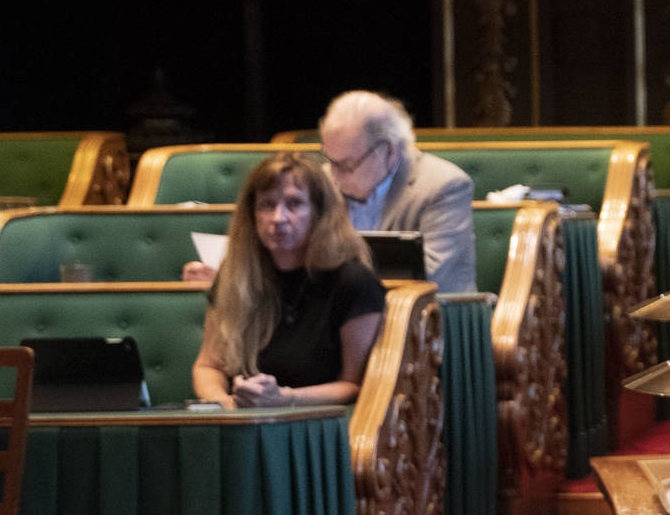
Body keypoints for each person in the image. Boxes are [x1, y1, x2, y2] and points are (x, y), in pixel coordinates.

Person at [192, 152, 386, 409]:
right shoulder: (235, 277)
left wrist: (284, 399)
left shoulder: (353, 282)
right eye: (267, 205)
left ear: (319, 212)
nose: (278, 218)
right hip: (241, 423)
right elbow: (208, 365)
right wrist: (223, 403)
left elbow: (355, 385)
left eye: (294, 204)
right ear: (252, 215)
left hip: (315, 424)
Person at [316, 90, 477, 293]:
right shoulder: (323, 181)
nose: (334, 174)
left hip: (427, 316)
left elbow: (429, 276)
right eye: (330, 159)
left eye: (347, 164)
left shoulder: (444, 186)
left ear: (389, 151)